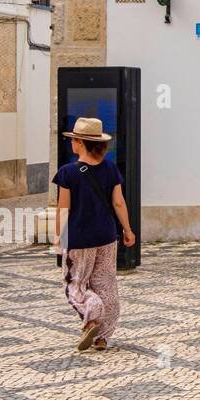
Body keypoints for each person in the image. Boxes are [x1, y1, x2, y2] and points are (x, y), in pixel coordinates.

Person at [54, 117, 135, 352]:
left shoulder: (68, 173)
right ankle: (102, 337)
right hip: (107, 236)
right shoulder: (110, 169)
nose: (72, 144)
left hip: (79, 238)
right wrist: (127, 230)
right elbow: (119, 203)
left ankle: (91, 313)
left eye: (73, 140)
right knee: (105, 283)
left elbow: (63, 208)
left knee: (74, 283)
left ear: (79, 143)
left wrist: (59, 236)